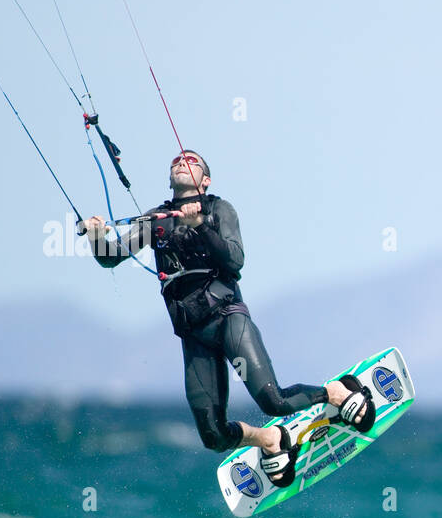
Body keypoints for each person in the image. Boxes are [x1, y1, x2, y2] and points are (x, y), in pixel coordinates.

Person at [81, 150, 373, 488]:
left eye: (192, 161)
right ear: (169, 177)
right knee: (214, 436)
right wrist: (95, 236)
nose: (182, 161)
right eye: (177, 160)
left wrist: (200, 225)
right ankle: (268, 440)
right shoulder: (156, 219)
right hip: (193, 335)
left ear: (205, 181)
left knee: (273, 401)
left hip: (227, 317)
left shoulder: (219, 209)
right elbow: (110, 257)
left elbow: (235, 261)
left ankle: (335, 393)